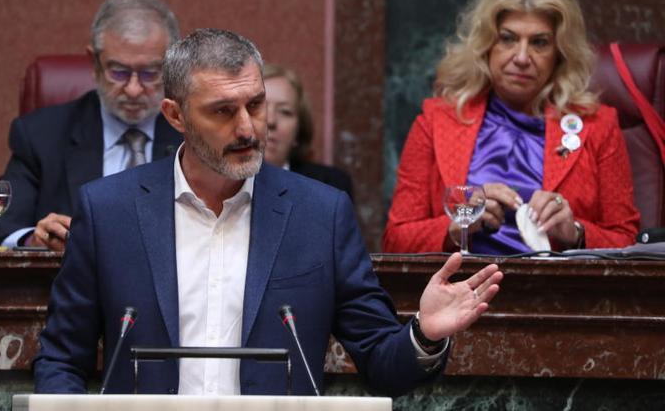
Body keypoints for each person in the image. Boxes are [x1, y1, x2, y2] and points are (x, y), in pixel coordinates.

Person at [33, 28, 503, 396]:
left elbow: (384, 365)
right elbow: (61, 359)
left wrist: (424, 334)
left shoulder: (320, 213)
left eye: (255, 105)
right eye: (221, 111)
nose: (247, 128)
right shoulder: (108, 210)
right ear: (175, 116)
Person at [383, 0, 639, 255]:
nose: (521, 57)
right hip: (461, 289)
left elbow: (627, 241)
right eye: (508, 39)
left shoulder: (597, 125)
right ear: (486, 45)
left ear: (560, 52)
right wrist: (458, 226)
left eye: (539, 42)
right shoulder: (436, 121)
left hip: (562, 293)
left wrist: (575, 232)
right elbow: (395, 240)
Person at [0, 0, 184, 251]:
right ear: (94, 62)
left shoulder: (193, 135)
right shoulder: (42, 136)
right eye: (119, 72)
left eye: (150, 73)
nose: (134, 89)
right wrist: (35, 240)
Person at [262, 63, 353, 198]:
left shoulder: (329, 188)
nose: (271, 121)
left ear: (298, 132)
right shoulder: (220, 183)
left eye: (285, 112)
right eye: (259, 107)